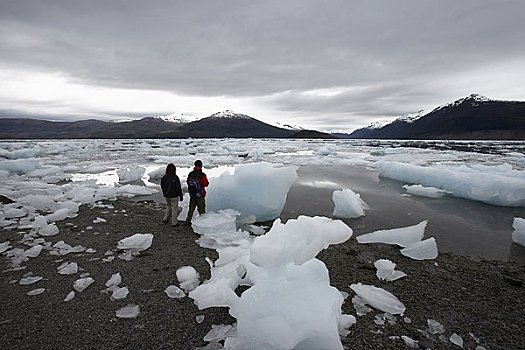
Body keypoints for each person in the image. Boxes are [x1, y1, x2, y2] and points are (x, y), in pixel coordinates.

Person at [185, 159, 209, 225]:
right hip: (200, 195)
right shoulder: (202, 175)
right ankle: (203, 223)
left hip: (192, 195)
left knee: (191, 209)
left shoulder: (191, 174)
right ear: (201, 166)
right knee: (201, 209)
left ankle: (187, 221)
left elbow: (188, 182)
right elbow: (206, 184)